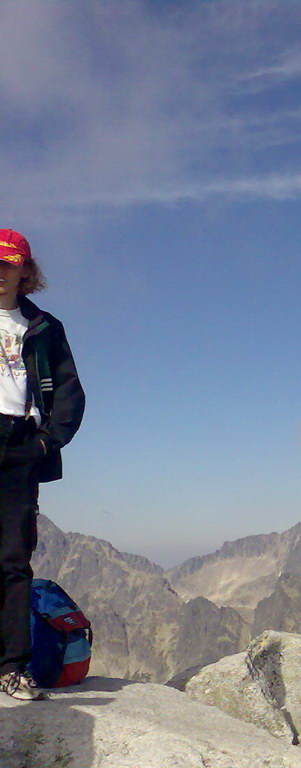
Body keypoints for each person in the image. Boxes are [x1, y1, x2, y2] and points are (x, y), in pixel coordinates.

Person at [0, 229, 85, 701]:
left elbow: (70, 389)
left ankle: (12, 667)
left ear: (26, 271)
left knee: (13, 561)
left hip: (19, 443)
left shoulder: (44, 326)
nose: (0, 272)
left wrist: (47, 443)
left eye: (9, 264)